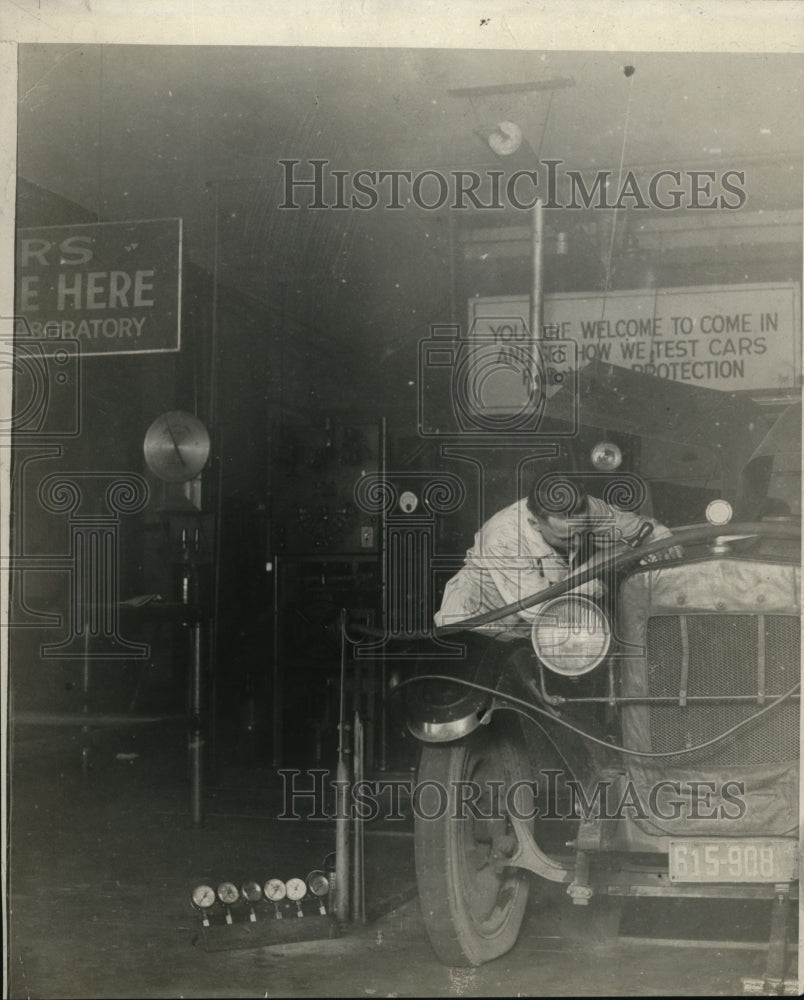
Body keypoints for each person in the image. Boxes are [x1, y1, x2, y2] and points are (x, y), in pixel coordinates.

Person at [434, 474, 679, 637]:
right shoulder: (504, 538)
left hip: (526, 628)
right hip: (474, 627)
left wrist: (661, 537)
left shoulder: (588, 509)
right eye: (564, 538)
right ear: (535, 522)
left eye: (581, 532)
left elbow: (638, 527)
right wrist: (599, 569)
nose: (575, 542)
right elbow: (540, 611)